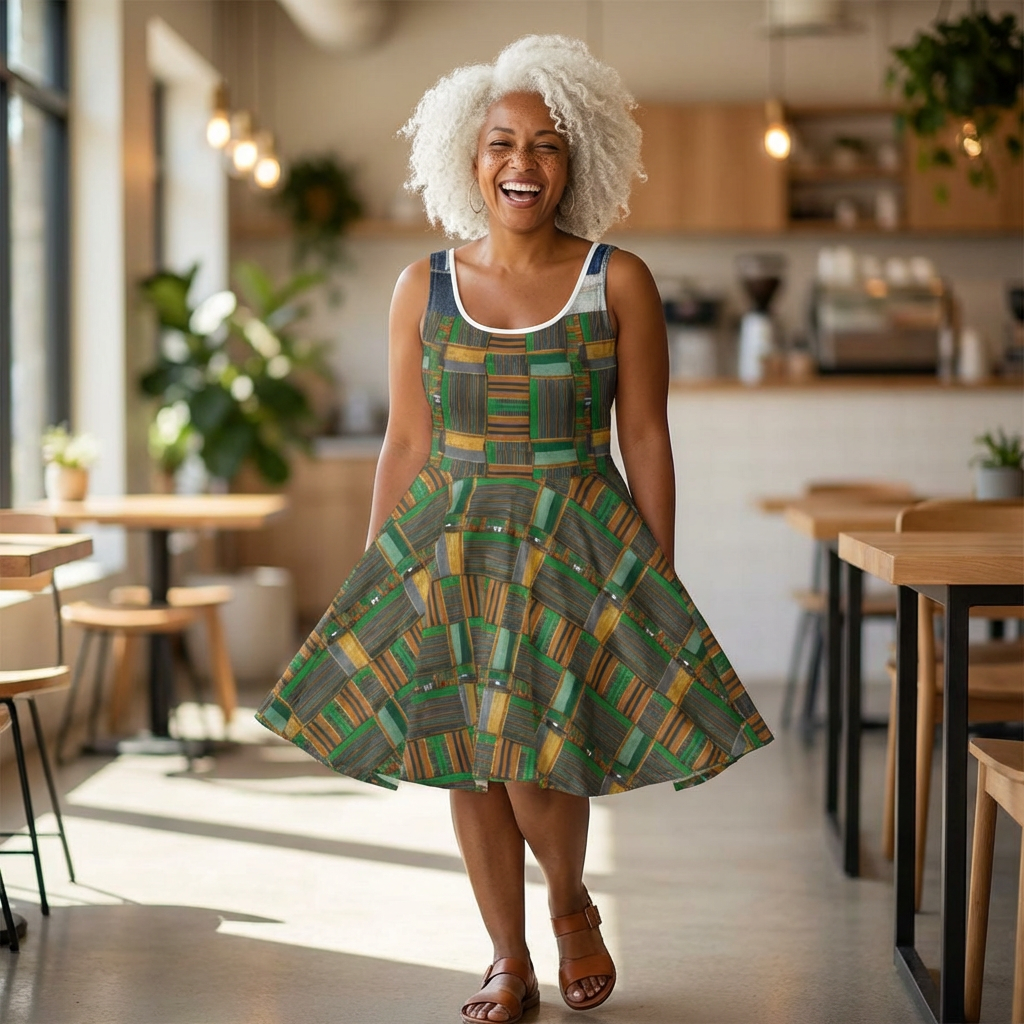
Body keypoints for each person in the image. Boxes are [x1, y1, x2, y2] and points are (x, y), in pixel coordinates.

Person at [257, 34, 773, 1024]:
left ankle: (570, 903)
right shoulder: (425, 287)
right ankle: (507, 958)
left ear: (575, 162)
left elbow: (647, 439)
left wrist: (652, 574)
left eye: (544, 145)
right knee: (472, 757)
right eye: (501, 143)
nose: (521, 164)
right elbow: (406, 439)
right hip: (448, 550)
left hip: (573, 548)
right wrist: (379, 573)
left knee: (539, 754)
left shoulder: (616, 282)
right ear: (469, 156)